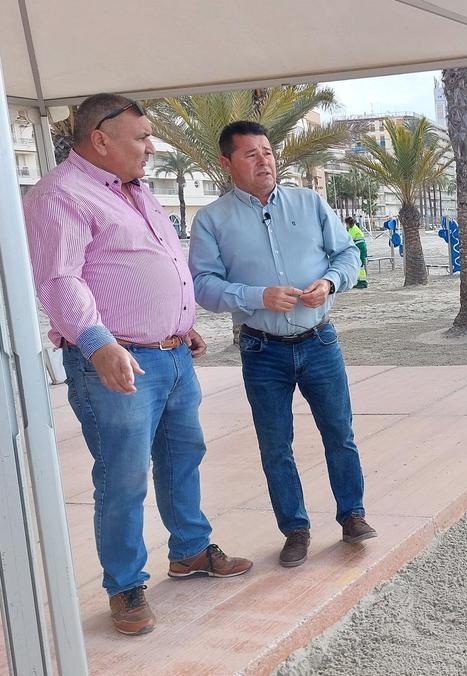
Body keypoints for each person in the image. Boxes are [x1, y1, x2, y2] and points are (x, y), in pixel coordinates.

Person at [22, 93, 252, 637]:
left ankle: (191, 550)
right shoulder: (61, 195)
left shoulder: (136, 191)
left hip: (171, 354)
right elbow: (60, 281)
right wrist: (98, 342)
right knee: (123, 476)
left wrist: (181, 321)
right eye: (141, 137)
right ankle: (124, 584)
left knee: (183, 456)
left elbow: (157, 266)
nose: (152, 147)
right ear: (100, 140)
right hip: (113, 360)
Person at [189, 121, 376, 571]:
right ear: (227, 163)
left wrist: (330, 283)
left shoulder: (310, 202)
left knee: (340, 433)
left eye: (268, 152)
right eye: (251, 154)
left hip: (319, 340)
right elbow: (202, 285)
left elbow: (348, 254)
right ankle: (295, 530)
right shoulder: (211, 219)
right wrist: (257, 296)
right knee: (275, 445)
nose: (264, 161)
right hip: (261, 349)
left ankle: (352, 516)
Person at [344, 216, 369, 288]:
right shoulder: (353, 228)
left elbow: (348, 239)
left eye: (346, 224)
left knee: (360, 264)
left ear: (348, 223)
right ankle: (359, 281)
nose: (346, 226)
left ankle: (363, 282)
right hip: (360, 247)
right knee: (358, 264)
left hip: (360, 247)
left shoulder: (353, 229)